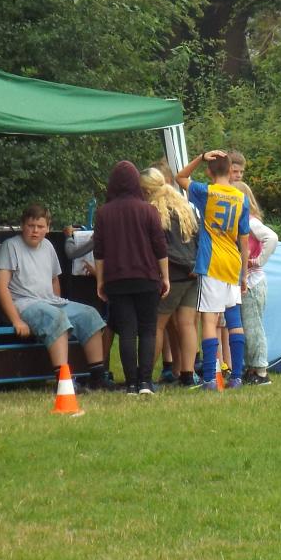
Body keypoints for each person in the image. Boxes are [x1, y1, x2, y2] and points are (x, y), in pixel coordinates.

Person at [0, 203, 111, 389]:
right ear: (22, 226)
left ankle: (98, 377)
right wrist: (16, 320)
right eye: (31, 226)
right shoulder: (10, 246)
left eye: (40, 226)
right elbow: (1, 286)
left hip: (50, 301)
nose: (35, 231)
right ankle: (63, 382)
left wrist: (56, 303)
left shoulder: (48, 246)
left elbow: (54, 280)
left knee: (90, 315)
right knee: (56, 318)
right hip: (24, 304)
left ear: (48, 228)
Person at [176, 148, 252, 390]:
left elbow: (180, 177)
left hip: (212, 263)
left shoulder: (206, 192)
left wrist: (200, 158)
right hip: (233, 262)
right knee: (234, 320)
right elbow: (244, 240)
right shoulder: (242, 198)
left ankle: (209, 378)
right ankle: (237, 376)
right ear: (231, 170)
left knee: (209, 321)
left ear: (209, 171)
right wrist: (244, 274)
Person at [92, 161, 170, 394]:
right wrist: (165, 277)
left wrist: (100, 281)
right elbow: (160, 247)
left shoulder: (103, 213)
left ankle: (131, 383)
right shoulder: (149, 210)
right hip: (147, 277)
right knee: (147, 329)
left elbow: (99, 251)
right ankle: (145, 382)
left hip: (117, 279)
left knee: (127, 331)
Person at [144, 164, 202, 388]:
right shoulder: (185, 206)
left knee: (156, 326)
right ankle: (188, 374)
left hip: (174, 275)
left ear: (146, 190)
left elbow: (161, 248)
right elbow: (199, 239)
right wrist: (195, 264)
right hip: (193, 274)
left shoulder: (155, 211)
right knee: (187, 325)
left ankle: (145, 376)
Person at [241, 213, 278, 386]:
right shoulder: (243, 221)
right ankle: (252, 369)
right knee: (248, 328)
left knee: (254, 328)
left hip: (253, 282)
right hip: (248, 282)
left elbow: (272, 237)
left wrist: (258, 261)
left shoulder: (249, 221)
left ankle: (261, 371)